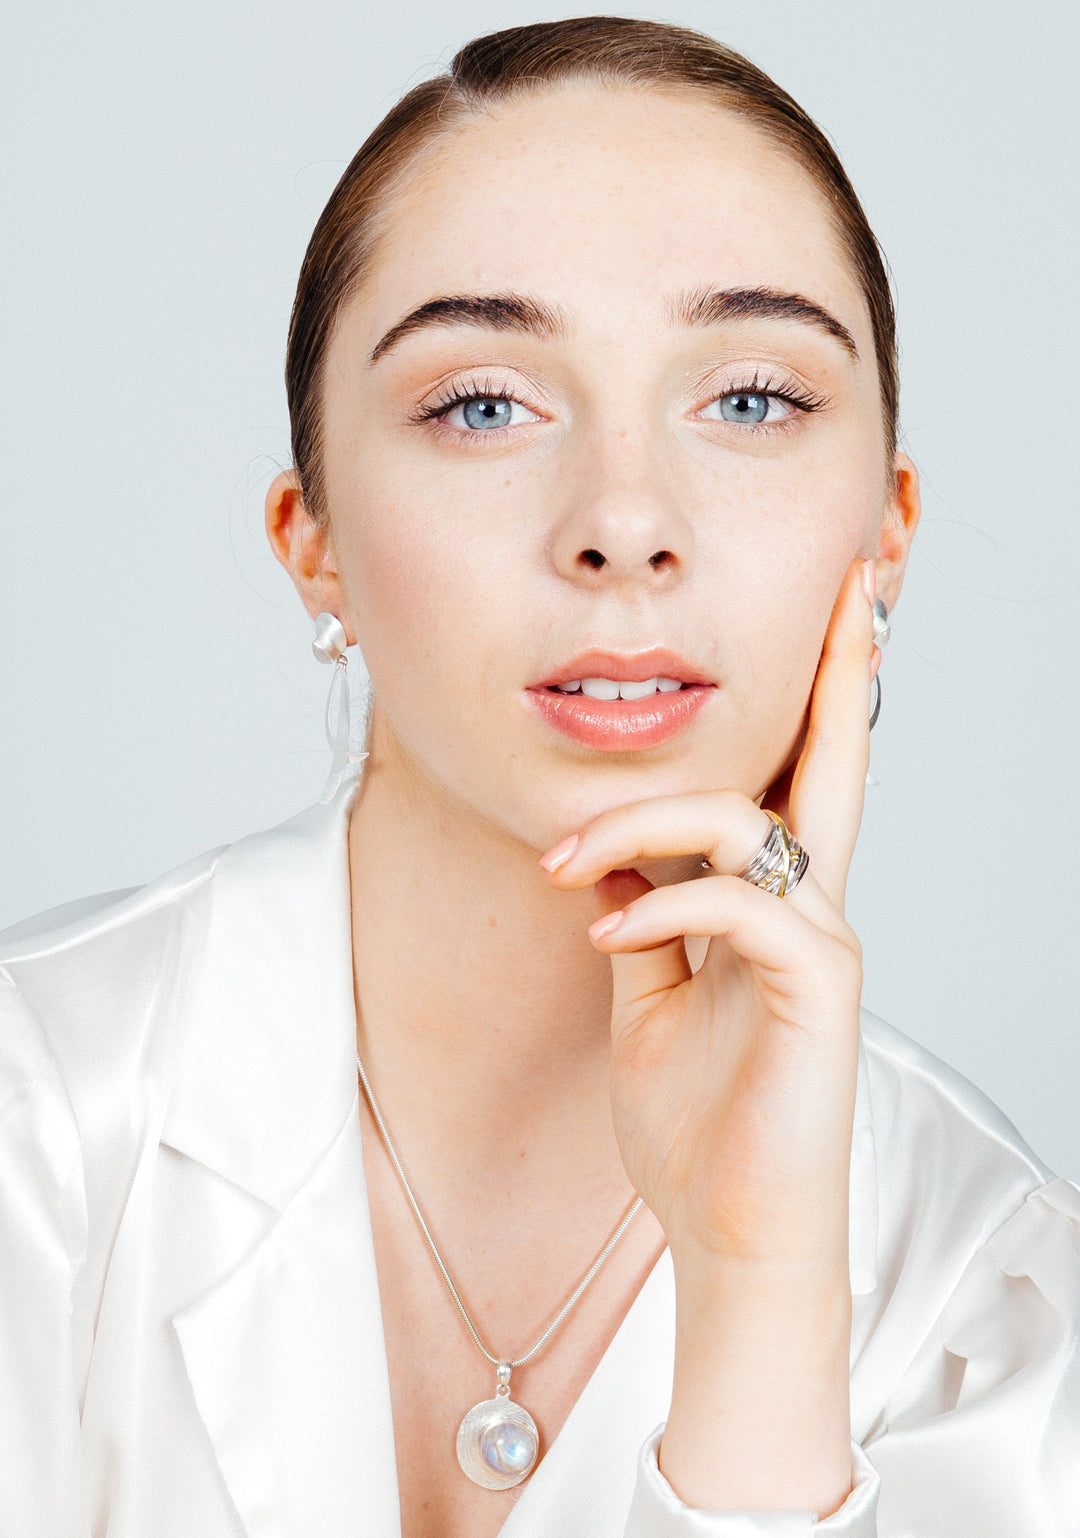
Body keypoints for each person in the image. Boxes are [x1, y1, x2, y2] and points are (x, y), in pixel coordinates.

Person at [1, 16, 1077, 1537]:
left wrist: (758, 1290)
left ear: (884, 531)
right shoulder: (37, 1122)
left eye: (754, 398)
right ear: (310, 539)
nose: (625, 519)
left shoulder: (1003, 1300)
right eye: (485, 403)